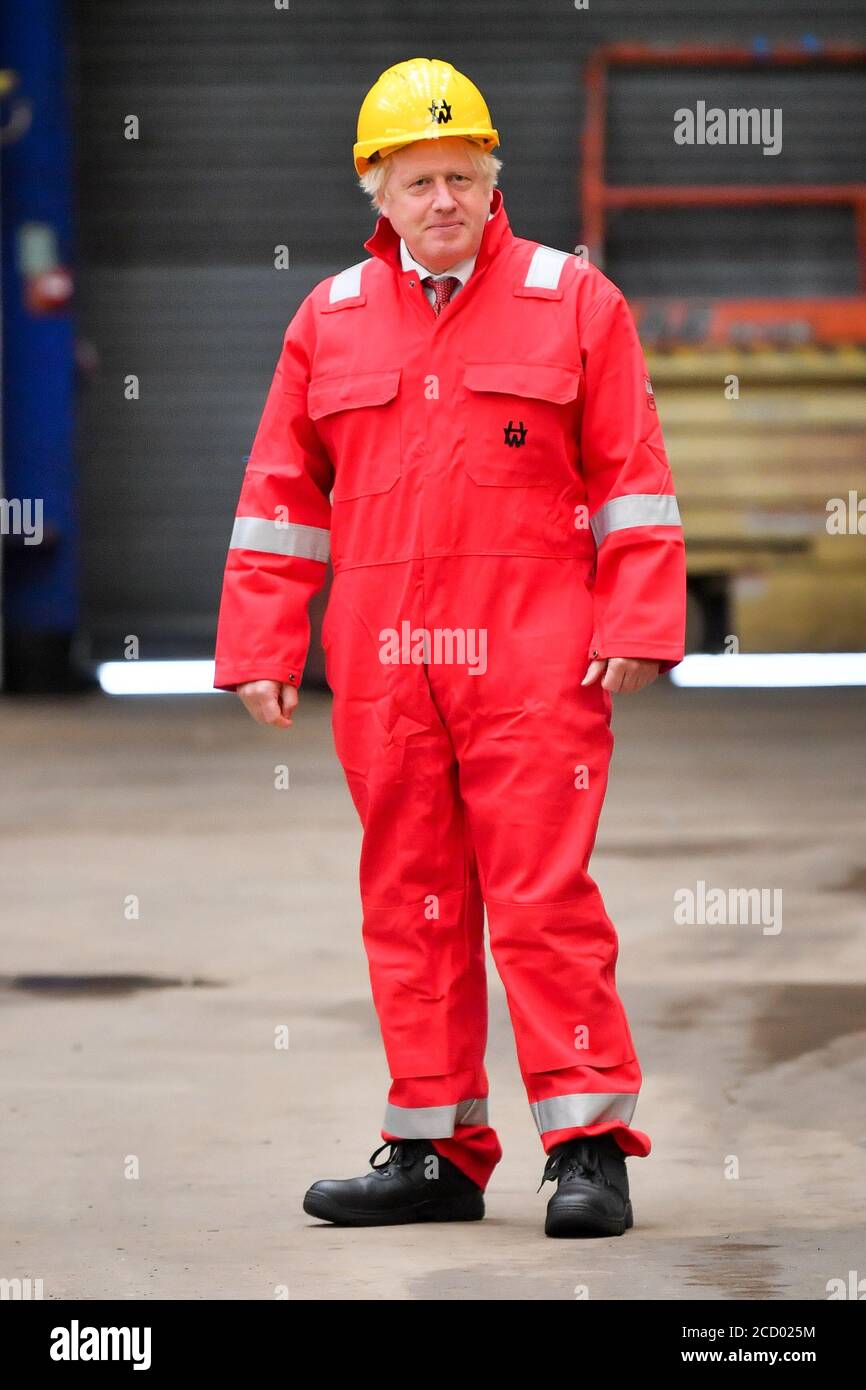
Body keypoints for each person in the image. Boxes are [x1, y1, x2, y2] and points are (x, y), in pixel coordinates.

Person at [213, 57, 686, 1237]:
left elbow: (630, 478)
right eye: (417, 178)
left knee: (541, 898)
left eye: (461, 176)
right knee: (412, 901)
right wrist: (265, 641)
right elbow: (281, 492)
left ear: (492, 181)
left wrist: (636, 619)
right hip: (386, 671)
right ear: (373, 187)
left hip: (533, 663)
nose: (441, 199)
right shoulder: (326, 319)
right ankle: (433, 1152)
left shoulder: (572, 301)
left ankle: (586, 1151)